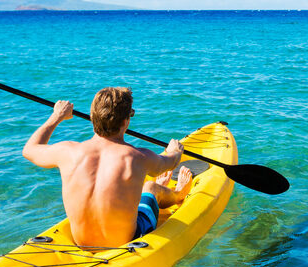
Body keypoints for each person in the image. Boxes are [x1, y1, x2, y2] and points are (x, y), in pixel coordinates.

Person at [21, 86, 193, 248]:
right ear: (126, 121)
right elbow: (170, 162)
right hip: (128, 240)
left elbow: (29, 150)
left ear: (92, 117)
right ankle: (178, 194)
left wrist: (57, 116)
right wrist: (174, 151)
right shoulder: (138, 157)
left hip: (82, 243)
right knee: (150, 187)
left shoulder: (67, 152)